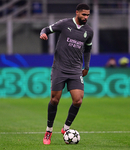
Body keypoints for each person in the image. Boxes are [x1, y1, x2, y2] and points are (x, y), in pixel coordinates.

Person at [40, 3, 93, 145]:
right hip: (59, 68)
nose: (86, 17)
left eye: (88, 15)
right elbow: (46, 29)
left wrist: (86, 66)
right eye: (84, 14)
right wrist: (43, 34)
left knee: (78, 100)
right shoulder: (64, 24)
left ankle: (66, 128)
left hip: (76, 70)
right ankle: (49, 130)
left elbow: (87, 50)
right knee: (55, 100)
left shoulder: (89, 31)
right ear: (77, 13)